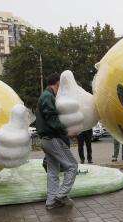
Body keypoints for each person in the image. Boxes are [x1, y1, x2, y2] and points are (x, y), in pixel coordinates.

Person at [36, 73, 78, 210]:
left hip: (45, 140)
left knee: (53, 171)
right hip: (52, 138)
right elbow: (52, 119)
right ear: (58, 83)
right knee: (72, 166)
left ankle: (51, 201)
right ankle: (61, 196)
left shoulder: (46, 96)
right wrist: (67, 132)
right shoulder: (48, 97)